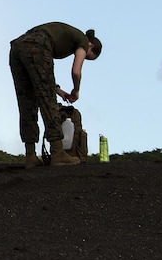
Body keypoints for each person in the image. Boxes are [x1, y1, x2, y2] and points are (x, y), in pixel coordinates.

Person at [9, 21, 102, 167]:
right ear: (91, 46)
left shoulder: (68, 34)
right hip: (37, 44)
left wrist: (59, 91)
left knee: (26, 101)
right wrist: (76, 91)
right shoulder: (84, 41)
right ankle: (58, 153)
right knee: (48, 102)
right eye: (87, 57)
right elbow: (76, 71)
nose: (84, 57)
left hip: (17, 47)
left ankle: (30, 156)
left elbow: (40, 78)